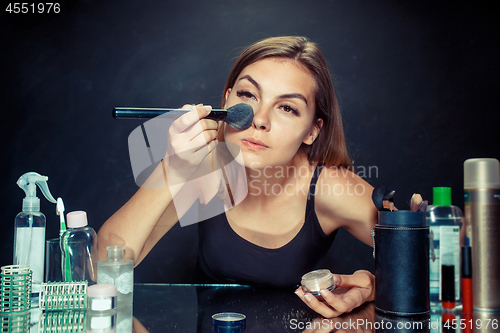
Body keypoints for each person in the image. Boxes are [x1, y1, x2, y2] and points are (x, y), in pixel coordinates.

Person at [98, 36, 378, 318]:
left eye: (287, 108)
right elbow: (104, 262)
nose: (259, 119)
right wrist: (174, 167)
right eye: (247, 95)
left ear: (312, 131)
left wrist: (373, 286)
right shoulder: (202, 168)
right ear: (226, 99)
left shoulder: (330, 187)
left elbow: (421, 252)